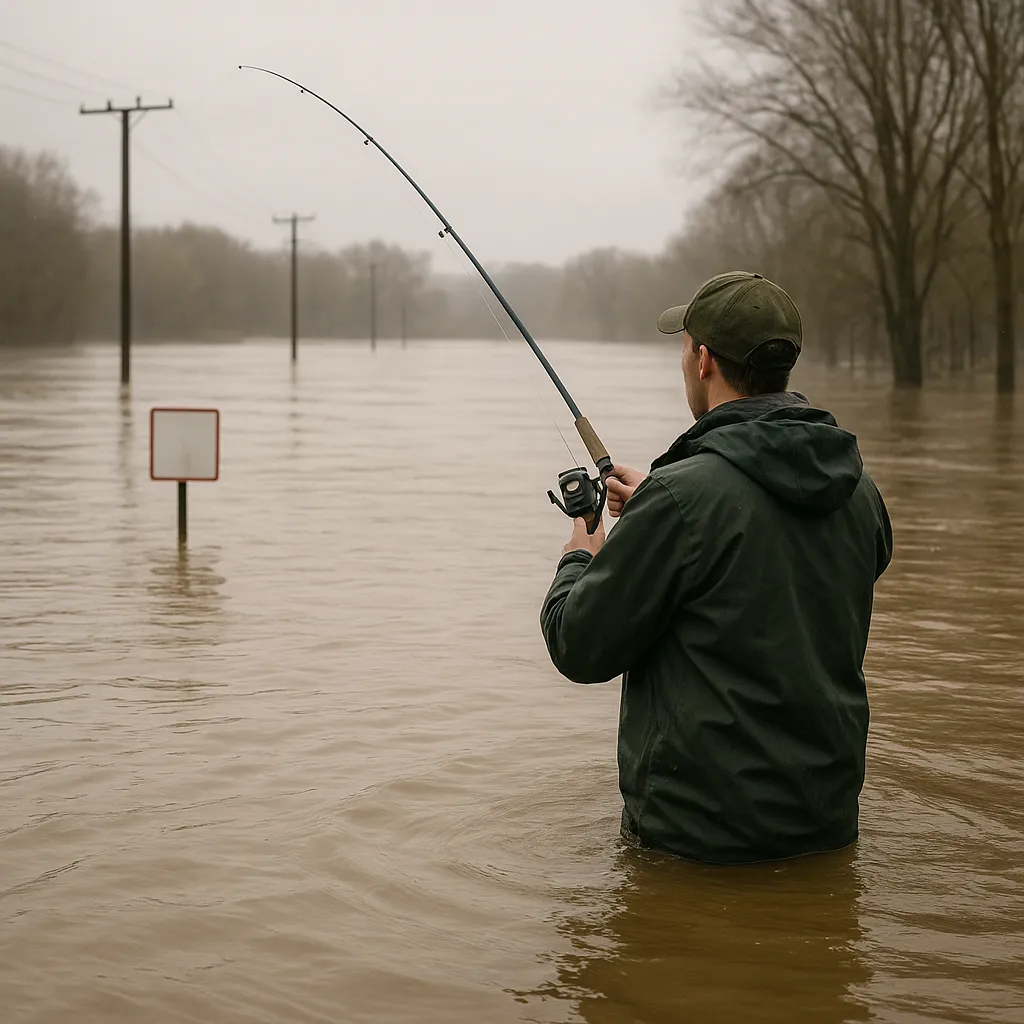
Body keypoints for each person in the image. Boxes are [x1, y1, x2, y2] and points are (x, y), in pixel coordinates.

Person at [540, 271, 893, 865]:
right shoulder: (861, 492)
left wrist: (582, 548)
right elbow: (784, 569)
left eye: (684, 348)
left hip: (697, 845)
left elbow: (577, 646)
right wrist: (665, 505)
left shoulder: (681, 501)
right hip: (826, 829)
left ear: (702, 361)